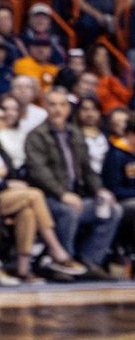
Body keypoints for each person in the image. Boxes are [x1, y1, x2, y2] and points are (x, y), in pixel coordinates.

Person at [25, 87, 122, 278]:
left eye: (62, 105)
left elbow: (88, 171)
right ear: (45, 107)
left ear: (68, 109)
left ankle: (90, 260)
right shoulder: (36, 135)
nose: (58, 109)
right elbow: (39, 172)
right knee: (68, 211)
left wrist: (100, 190)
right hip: (48, 198)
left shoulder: (76, 134)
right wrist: (62, 194)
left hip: (76, 196)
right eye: (53, 105)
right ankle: (63, 262)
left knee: (113, 210)